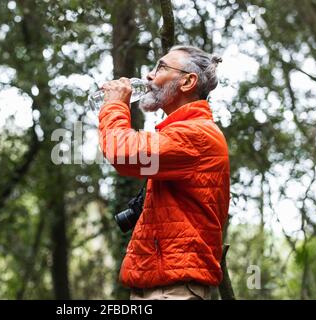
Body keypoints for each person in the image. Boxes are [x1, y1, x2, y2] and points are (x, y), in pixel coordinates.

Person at [98, 45, 230, 300]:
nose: (149, 75)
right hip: (157, 287)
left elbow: (121, 151)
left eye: (160, 67)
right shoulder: (180, 135)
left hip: (175, 290)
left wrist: (114, 105)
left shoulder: (197, 135)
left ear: (187, 81)